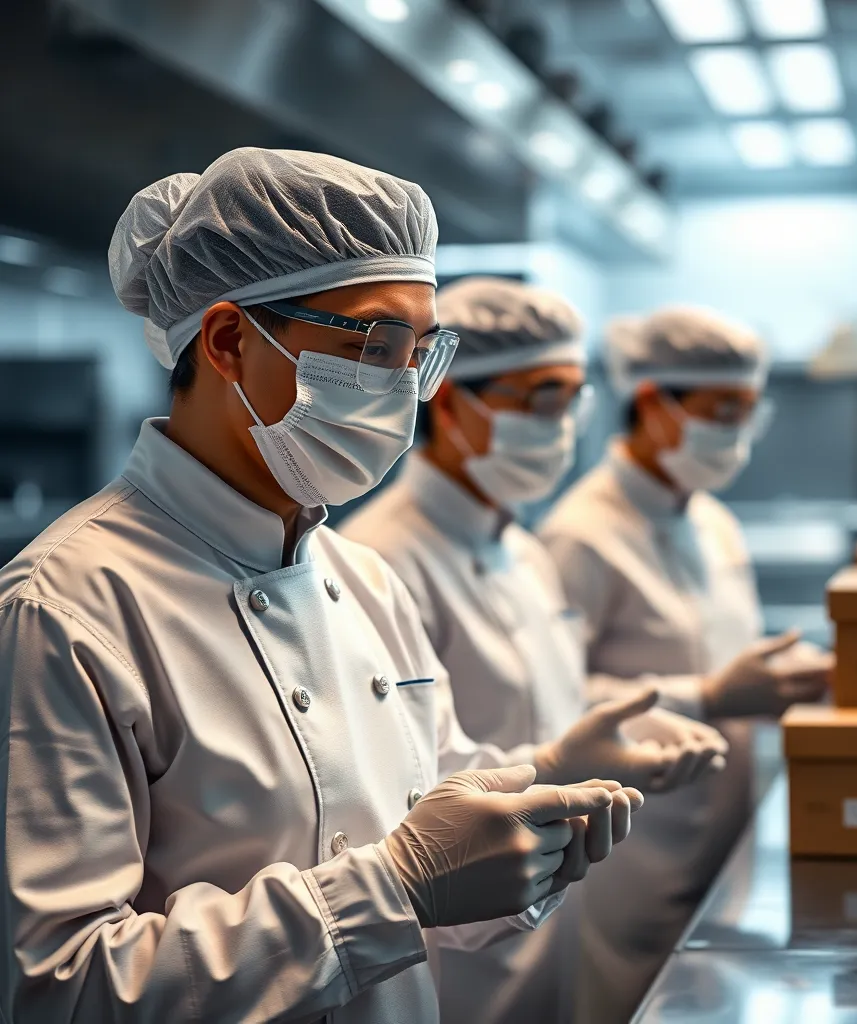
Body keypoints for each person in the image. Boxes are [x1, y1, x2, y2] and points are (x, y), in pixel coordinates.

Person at [0, 149, 644, 1024]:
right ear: (229, 342)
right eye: (376, 345)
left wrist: (535, 825)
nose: (403, 392)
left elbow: (437, 881)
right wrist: (394, 888)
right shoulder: (64, 610)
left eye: (420, 353)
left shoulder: (364, 580)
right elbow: (57, 988)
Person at [341, 277, 729, 1023]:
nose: (564, 425)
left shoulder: (521, 548)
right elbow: (400, 799)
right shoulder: (384, 562)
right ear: (449, 403)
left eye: (573, 400)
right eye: (542, 399)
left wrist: (622, 734)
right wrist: (561, 764)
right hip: (454, 961)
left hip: (545, 928)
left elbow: (549, 700)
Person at [539, 306, 833, 1024]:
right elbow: (548, 702)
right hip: (629, 864)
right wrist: (704, 696)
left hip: (723, 848)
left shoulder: (711, 520)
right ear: (652, 403)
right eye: (721, 410)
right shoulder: (580, 537)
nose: (735, 433)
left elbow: (726, 661)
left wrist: (786, 685)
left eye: (748, 413)